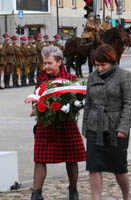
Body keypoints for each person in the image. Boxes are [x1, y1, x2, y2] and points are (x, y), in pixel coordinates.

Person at [31, 46, 86, 200]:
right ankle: (36, 193)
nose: (46, 67)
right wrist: (36, 107)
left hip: (66, 124)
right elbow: (36, 98)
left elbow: (78, 101)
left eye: (49, 63)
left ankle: (73, 190)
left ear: (60, 62)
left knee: (72, 158)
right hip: (45, 124)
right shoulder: (41, 79)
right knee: (40, 158)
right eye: (44, 63)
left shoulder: (70, 79)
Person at [82, 44, 131, 200]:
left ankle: (126, 195)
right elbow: (88, 103)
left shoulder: (124, 76)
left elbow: (129, 103)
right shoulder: (92, 77)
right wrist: (85, 127)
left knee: (119, 167)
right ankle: (96, 198)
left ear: (112, 61)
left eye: (102, 65)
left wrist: (123, 127)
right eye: (96, 65)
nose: (99, 68)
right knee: (94, 166)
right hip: (94, 125)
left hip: (116, 127)